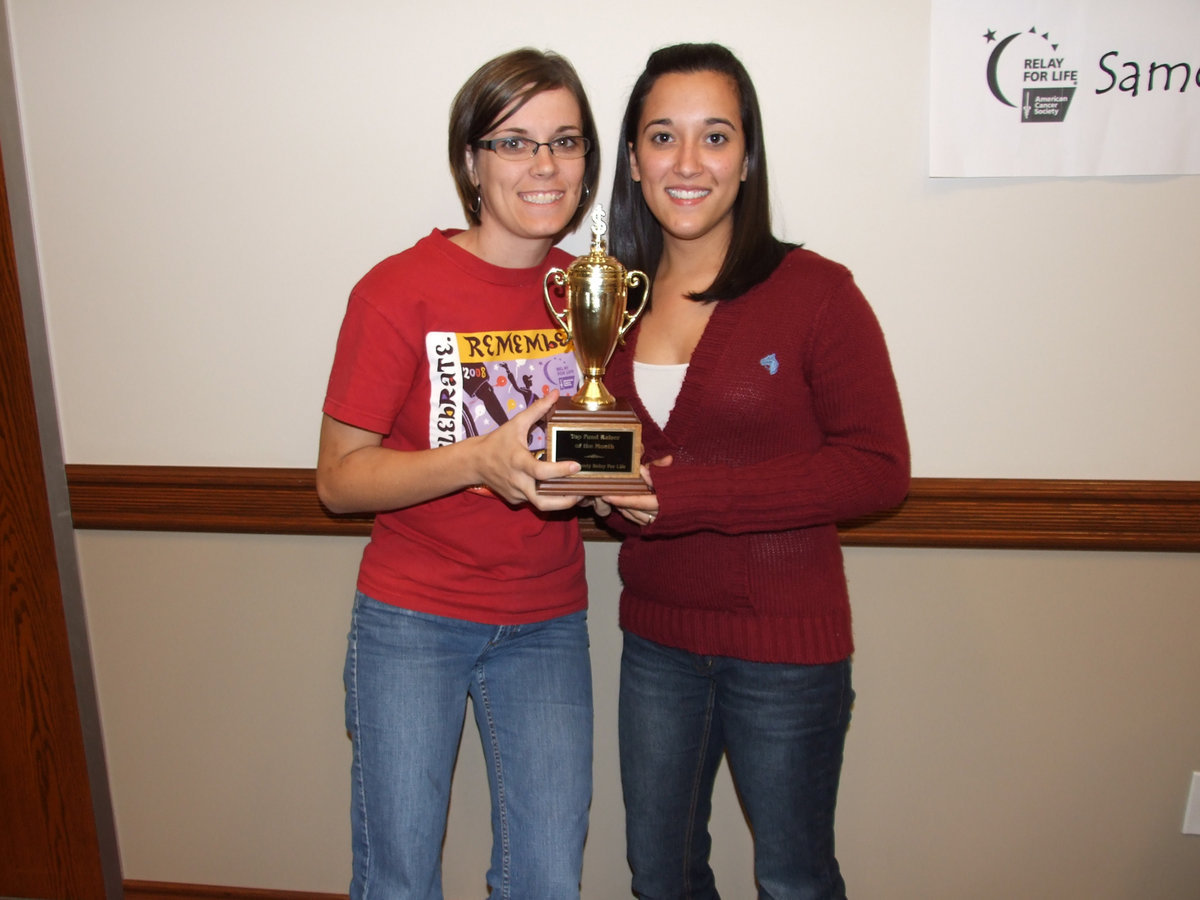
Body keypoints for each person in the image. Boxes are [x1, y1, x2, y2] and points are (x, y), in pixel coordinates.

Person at [597, 43, 910, 899]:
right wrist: (599, 492)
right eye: (663, 136)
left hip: (785, 649)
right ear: (632, 159)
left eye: (715, 136)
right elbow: (624, 476)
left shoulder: (817, 292)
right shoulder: (608, 303)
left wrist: (693, 494)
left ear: (748, 156)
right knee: (659, 877)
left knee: (794, 881)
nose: (688, 162)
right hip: (656, 641)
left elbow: (879, 470)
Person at [316, 48, 600, 900]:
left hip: (548, 622)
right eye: (514, 143)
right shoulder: (398, 291)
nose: (545, 166)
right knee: (399, 878)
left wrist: (624, 486)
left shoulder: (585, 294)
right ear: (471, 162)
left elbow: (586, 445)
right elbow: (338, 480)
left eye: (566, 141)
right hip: (412, 620)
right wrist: (477, 461)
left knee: (547, 880)